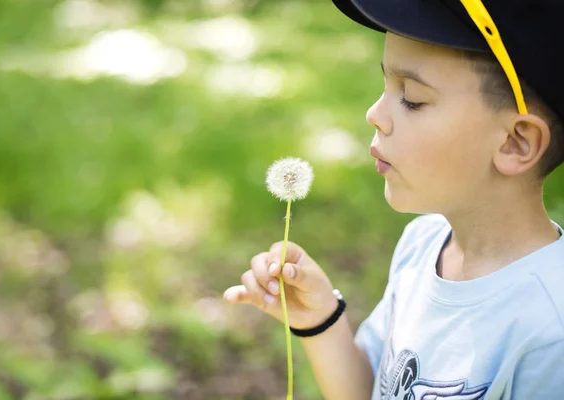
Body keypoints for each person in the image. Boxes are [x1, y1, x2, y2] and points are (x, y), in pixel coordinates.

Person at [224, 0, 564, 398]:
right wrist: (320, 320)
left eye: (413, 99)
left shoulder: (549, 330)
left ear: (515, 142)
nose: (374, 114)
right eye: (385, 86)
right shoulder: (421, 245)